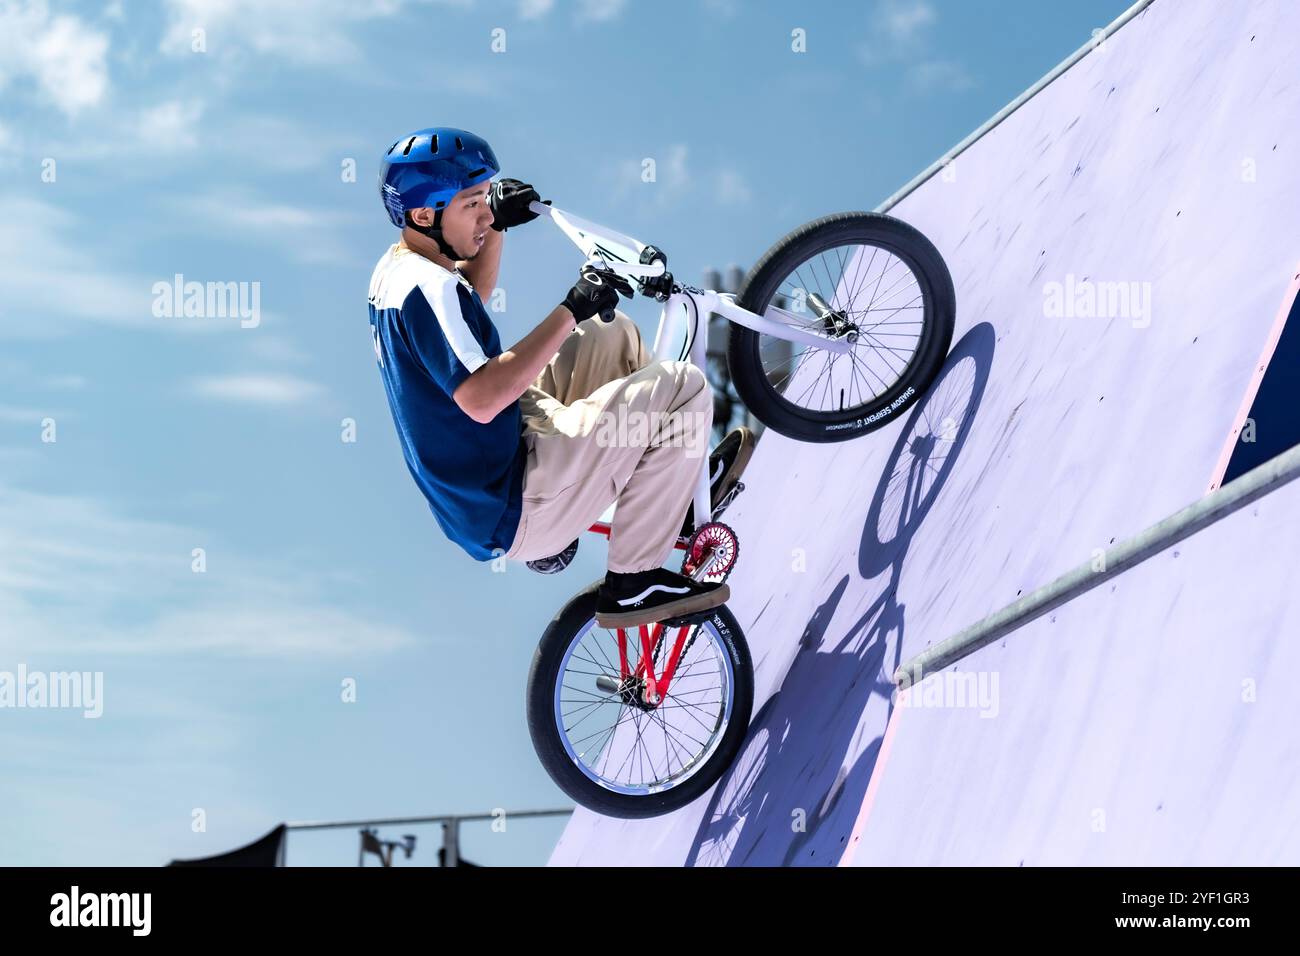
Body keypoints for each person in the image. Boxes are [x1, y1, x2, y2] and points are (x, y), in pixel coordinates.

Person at [368, 127, 752, 627]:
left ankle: (666, 501)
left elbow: (469, 307)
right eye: (472, 205)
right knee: (683, 388)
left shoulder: (402, 268)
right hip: (514, 502)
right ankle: (634, 581)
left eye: (487, 197)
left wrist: (497, 227)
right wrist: (572, 306)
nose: (485, 212)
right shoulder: (429, 289)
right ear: (425, 215)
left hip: (494, 466)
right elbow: (481, 399)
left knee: (612, 336)